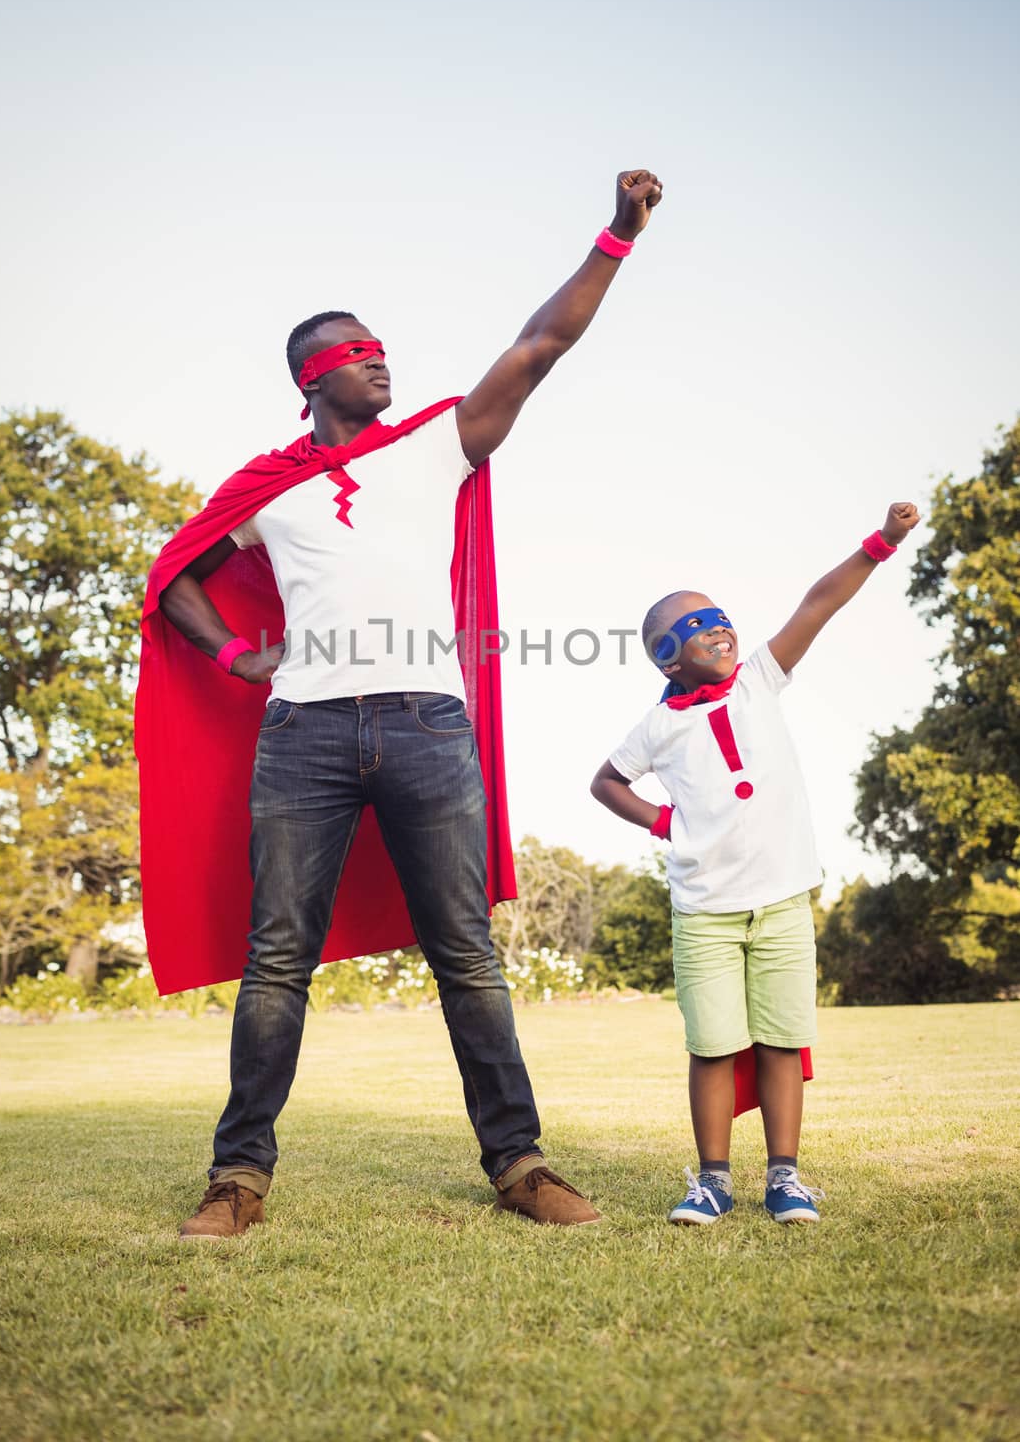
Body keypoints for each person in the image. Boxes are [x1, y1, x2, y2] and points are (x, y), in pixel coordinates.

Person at [149, 168, 662, 1239]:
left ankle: (518, 1163)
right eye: (353, 349)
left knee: (465, 951)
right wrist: (241, 657)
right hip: (304, 733)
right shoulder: (264, 487)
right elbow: (177, 576)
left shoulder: (435, 440)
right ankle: (238, 1177)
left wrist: (614, 238)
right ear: (309, 377)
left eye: (380, 345)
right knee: (276, 954)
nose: (379, 357)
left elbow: (537, 346)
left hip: (428, 724)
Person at [589, 501, 920, 1224]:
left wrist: (881, 543)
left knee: (779, 1038)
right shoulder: (657, 724)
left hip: (780, 901)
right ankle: (711, 1179)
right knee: (712, 1045)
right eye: (695, 627)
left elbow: (817, 604)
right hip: (704, 909)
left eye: (720, 617)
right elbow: (605, 782)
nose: (718, 629)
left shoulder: (760, 677)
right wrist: (662, 820)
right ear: (665, 658)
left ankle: (784, 1177)